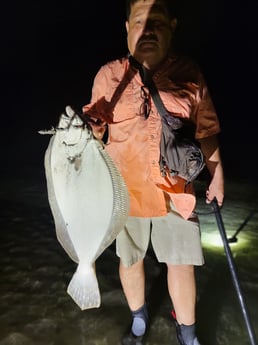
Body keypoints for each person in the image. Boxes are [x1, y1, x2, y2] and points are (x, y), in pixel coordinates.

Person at [82, 0, 224, 344]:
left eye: (156, 21)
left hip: (176, 191)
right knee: (130, 261)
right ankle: (139, 319)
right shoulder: (108, 75)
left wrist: (217, 175)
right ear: (127, 28)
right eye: (139, 21)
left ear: (172, 25)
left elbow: (206, 130)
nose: (146, 30)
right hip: (123, 194)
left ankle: (187, 333)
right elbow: (94, 136)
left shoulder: (189, 73)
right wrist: (87, 130)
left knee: (181, 264)